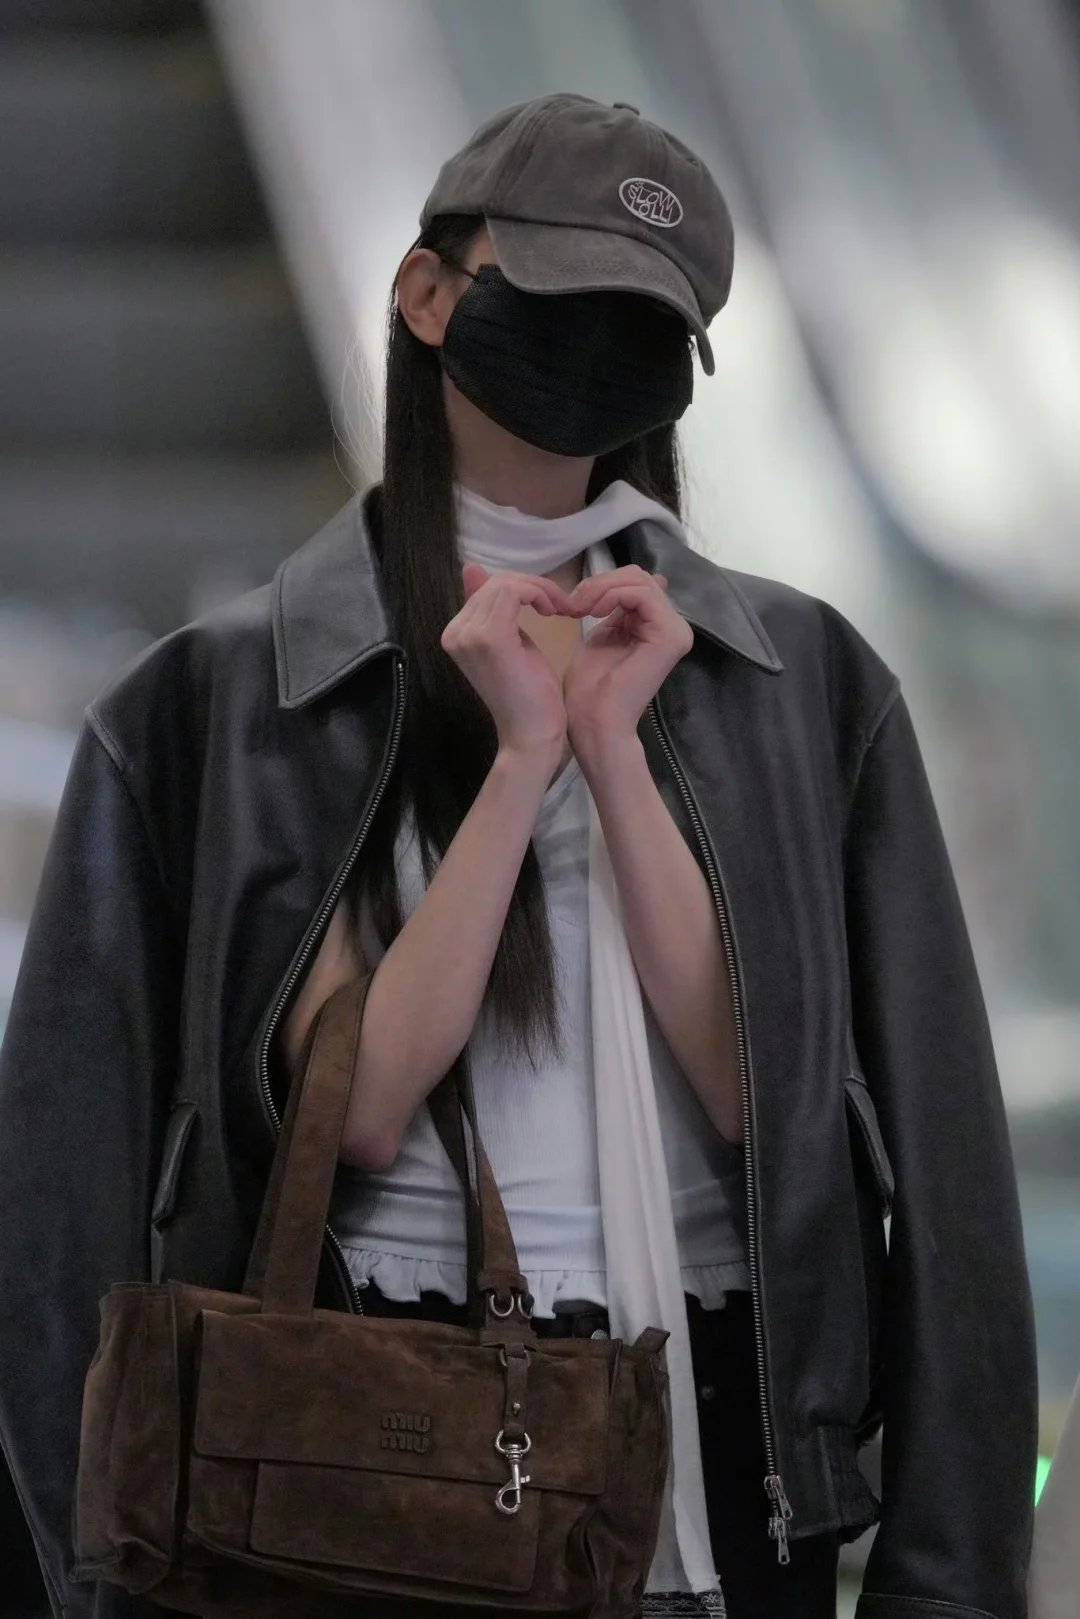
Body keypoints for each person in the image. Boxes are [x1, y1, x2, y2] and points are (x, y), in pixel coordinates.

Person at [0, 93, 1037, 1619]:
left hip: (724, 1440)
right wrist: (518, 763)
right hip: (373, 1437)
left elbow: (798, 1112)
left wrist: (613, 745)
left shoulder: (795, 682)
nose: (593, 346)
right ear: (427, 293)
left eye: (644, 321)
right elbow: (327, 1116)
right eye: (560, 293)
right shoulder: (230, 701)